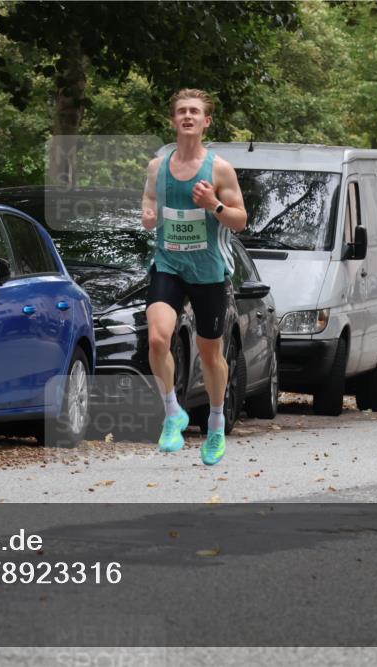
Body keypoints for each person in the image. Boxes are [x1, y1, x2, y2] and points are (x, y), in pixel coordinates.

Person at [140, 89, 248, 466]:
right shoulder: (158, 166)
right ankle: (173, 414)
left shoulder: (219, 169)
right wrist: (149, 214)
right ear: (174, 120)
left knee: (210, 352)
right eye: (181, 111)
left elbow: (240, 219)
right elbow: (150, 199)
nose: (187, 116)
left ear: (206, 122)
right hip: (169, 264)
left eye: (194, 112)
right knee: (157, 339)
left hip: (208, 271)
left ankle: (216, 426)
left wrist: (213, 205)